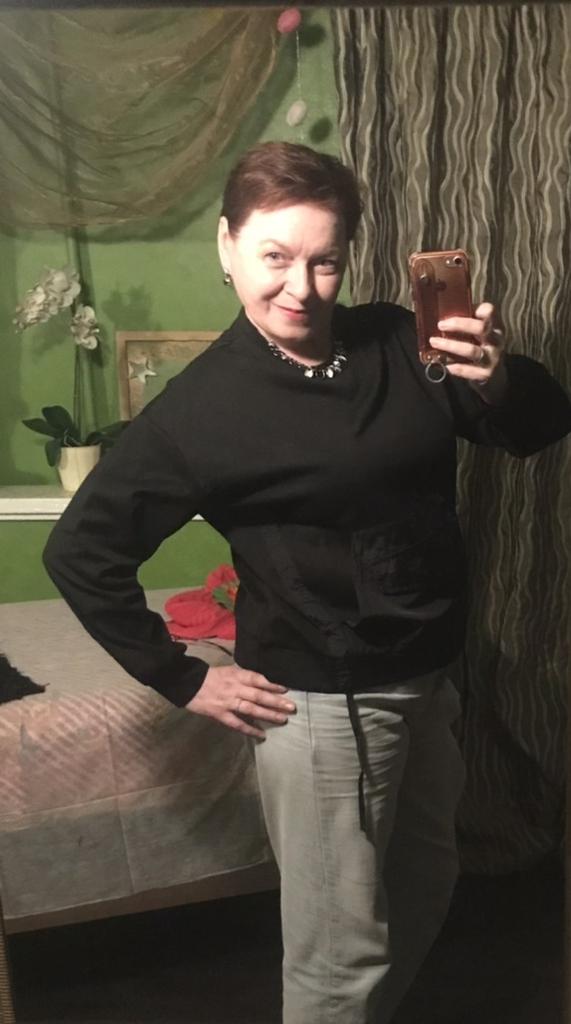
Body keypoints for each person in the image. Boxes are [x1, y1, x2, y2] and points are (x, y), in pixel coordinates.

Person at [43, 141, 571, 1024]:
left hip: (427, 680)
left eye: (324, 260)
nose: (300, 286)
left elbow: (537, 428)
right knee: (338, 955)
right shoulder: (200, 412)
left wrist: (498, 378)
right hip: (325, 705)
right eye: (274, 256)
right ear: (226, 246)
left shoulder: (399, 341)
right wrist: (182, 676)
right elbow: (81, 553)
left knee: (424, 886)